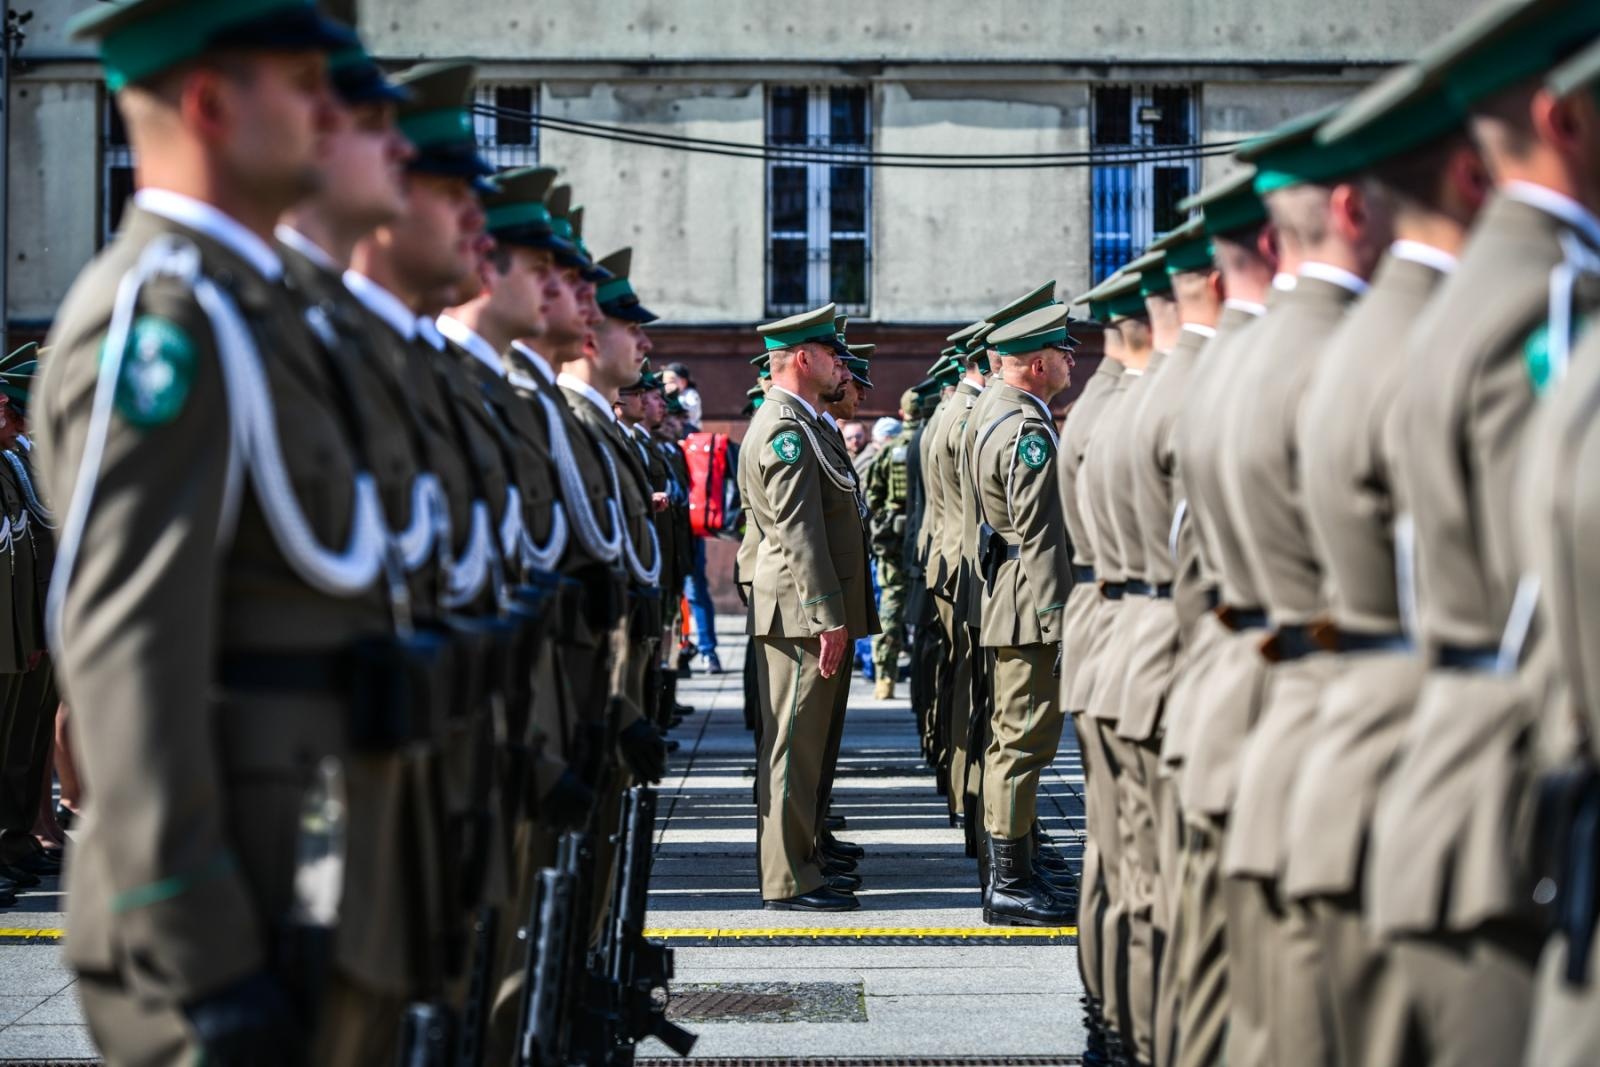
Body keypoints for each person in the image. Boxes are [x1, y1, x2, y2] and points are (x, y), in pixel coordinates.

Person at [33, 3, 431, 1062]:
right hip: (226, 910)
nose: (329, 109)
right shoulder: (166, 315)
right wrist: (199, 948)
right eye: (303, 86)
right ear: (209, 104)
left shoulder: (254, 310)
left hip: (302, 866)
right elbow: (122, 645)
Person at [1365, 4, 1600, 1063]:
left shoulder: (1433, 309)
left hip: (1439, 763)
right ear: (1566, 119)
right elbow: (1549, 584)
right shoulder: (1546, 303)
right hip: (1511, 791)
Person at [743, 303, 873, 912]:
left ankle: (806, 860)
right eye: (831, 354)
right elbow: (798, 534)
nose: (840, 364)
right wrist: (828, 615)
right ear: (802, 358)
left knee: (807, 744)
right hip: (798, 611)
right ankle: (788, 879)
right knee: (793, 747)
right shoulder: (785, 429)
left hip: (805, 610)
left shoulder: (801, 421)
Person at [970, 300, 1076, 927]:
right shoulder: (1026, 430)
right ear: (1037, 364)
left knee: (1015, 737)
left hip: (1011, 593)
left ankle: (1020, 871)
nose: (1070, 362)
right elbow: (1038, 535)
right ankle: (1010, 884)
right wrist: (1061, 618)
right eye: (1064, 353)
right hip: (1029, 601)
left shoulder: (998, 411)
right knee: (1024, 742)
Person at [864, 390, 919, 700]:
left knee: (891, 608)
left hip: (893, 543)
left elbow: (872, 496)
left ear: (902, 413)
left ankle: (885, 677)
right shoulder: (931, 441)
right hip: (928, 542)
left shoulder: (889, 451)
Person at [662, 361, 703, 428]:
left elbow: (690, 411)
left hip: (688, 430)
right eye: (664, 382)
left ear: (683, 382)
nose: (667, 385)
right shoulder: (662, 395)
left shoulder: (690, 394)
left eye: (671, 381)